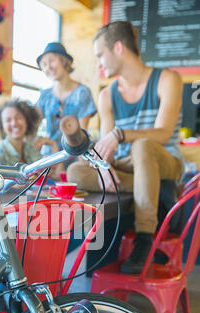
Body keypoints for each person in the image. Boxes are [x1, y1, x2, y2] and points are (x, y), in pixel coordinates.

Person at [67, 21, 184, 274]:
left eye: (100, 55)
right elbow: (106, 149)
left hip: (164, 161)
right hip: (130, 168)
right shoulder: (107, 95)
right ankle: (156, 191)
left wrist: (121, 134)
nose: (98, 63)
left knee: (143, 147)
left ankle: (144, 238)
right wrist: (103, 167)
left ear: (118, 48)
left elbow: (163, 135)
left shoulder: (168, 79)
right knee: (76, 171)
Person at [36, 42, 97, 158]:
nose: (49, 67)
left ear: (64, 61)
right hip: (49, 157)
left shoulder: (82, 92)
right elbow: (33, 125)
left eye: (52, 61)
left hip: (75, 155)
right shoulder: (45, 96)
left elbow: (82, 133)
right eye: (44, 64)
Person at [0, 96, 63, 180]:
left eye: (18, 118)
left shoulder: (30, 148)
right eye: (8, 120)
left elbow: (58, 177)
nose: (14, 123)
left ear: (27, 121)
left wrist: (53, 145)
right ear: (2, 126)